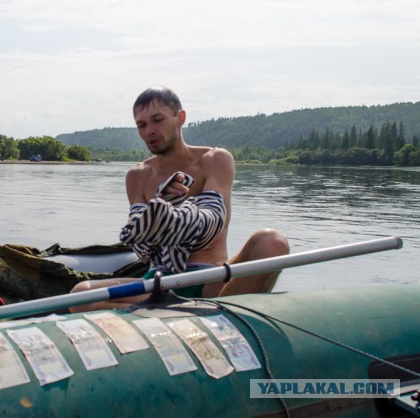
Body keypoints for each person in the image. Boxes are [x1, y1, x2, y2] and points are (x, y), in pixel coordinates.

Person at [70, 86, 289, 312]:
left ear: (180, 118)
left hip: (210, 278)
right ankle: (185, 311)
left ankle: (218, 310)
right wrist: (162, 203)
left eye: (157, 120)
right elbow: (143, 247)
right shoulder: (137, 175)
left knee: (272, 241)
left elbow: (212, 221)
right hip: (159, 282)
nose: (149, 131)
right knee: (81, 294)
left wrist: (165, 212)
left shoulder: (214, 159)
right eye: (141, 125)